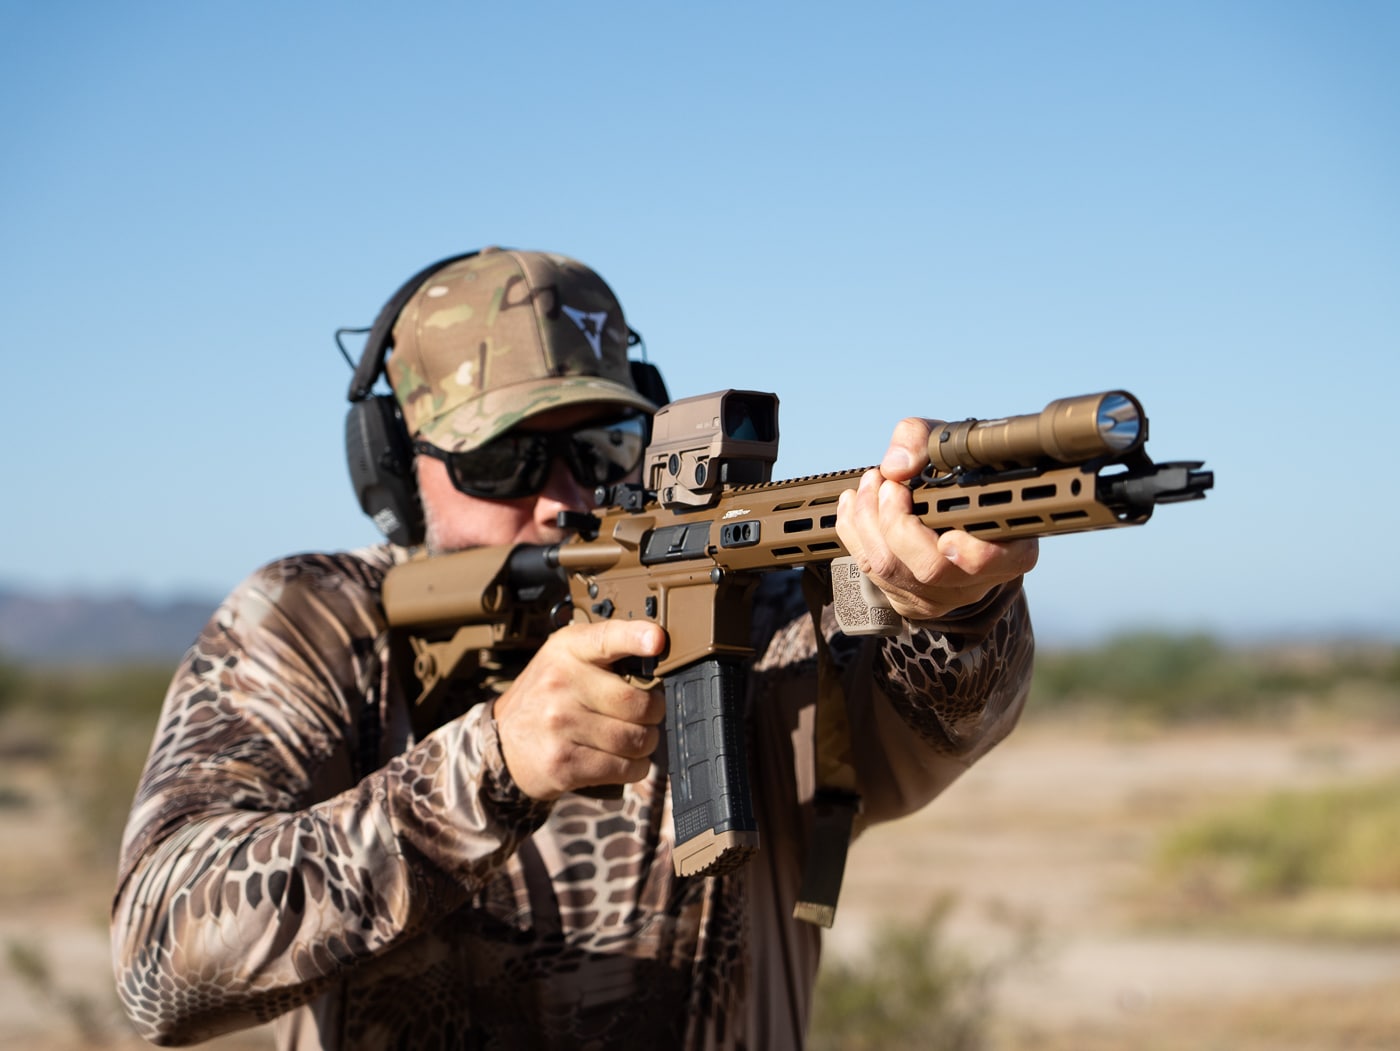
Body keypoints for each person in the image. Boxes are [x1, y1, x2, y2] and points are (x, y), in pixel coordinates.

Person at [111, 247, 1039, 1049]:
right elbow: (159, 959)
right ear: (396, 465)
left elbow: (933, 723)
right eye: (502, 458)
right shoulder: (316, 625)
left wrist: (951, 610)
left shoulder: (760, 613)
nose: (560, 496)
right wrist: (489, 766)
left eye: (599, 446)